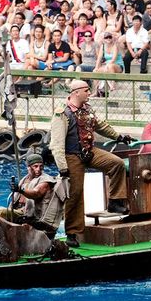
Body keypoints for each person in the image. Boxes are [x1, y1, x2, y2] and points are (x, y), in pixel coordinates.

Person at [50, 79, 135, 248]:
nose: (89, 93)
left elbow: (100, 126)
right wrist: (63, 168)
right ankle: (72, 233)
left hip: (89, 151)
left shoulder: (87, 110)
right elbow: (57, 144)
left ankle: (115, 201)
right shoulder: (62, 114)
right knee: (75, 193)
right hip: (71, 155)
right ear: (76, 93)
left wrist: (118, 136)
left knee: (116, 163)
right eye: (86, 90)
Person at [0, 153, 60, 236]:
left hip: (31, 215)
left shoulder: (45, 180)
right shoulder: (24, 179)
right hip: (18, 210)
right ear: (28, 167)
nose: (39, 169)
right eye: (35, 166)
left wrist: (20, 190)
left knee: (0, 212)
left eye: (41, 166)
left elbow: (36, 193)